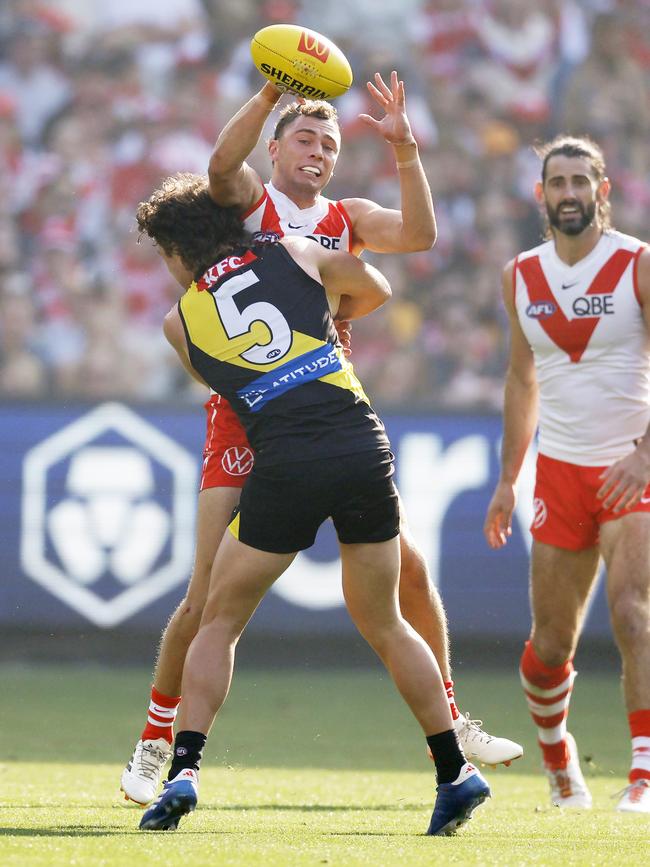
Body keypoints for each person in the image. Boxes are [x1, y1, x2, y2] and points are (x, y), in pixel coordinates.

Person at [121, 72, 521, 806]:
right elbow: (216, 168)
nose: (319, 151)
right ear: (274, 150)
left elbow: (422, 237)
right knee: (206, 593)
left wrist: (405, 150)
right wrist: (272, 92)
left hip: (317, 402)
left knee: (413, 574)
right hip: (245, 415)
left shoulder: (346, 217)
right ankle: (155, 738)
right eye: (306, 137)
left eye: (331, 143)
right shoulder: (249, 203)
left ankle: (452, 719)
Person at [484, 134, 650, 813]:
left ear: (603, 191)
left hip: (632, 469)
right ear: (542, 195)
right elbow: (522, 379)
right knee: (551, 645)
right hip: (558, 473)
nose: (572, 193)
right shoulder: (520, 275)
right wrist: (507, 479)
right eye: (559, 183)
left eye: (583, 181)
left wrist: (645, 453)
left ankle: (643, 774)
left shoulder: (638, 263)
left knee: (634, 613)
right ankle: (561, 767)